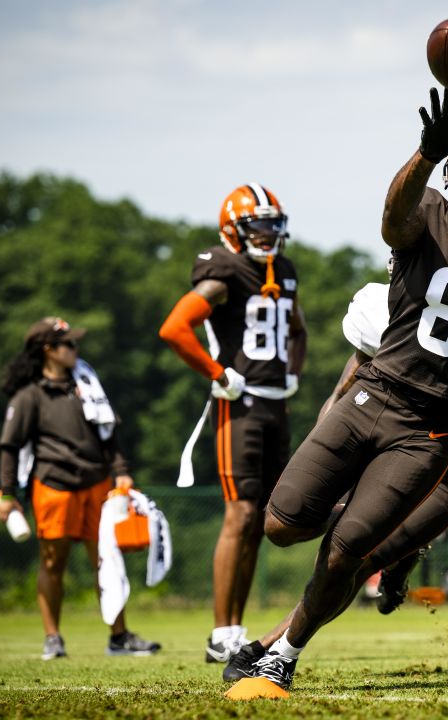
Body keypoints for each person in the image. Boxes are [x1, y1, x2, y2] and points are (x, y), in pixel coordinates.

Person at [226, 89, 448, 697]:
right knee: (280, 525)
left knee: (348, 550)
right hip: (372, 395)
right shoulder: (430, 211)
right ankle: (352, 533)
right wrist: (422, 152)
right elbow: (392, 218)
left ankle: (281, 654)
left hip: (432, 428)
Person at [220, 273, 448, 682]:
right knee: (323, 535)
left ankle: (271, 648)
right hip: (392, 443)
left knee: (356, 557)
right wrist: (330, 467)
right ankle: (400, 556)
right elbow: (342, 393)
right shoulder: (382, 307)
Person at [158, 183, 307, 663]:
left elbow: (298, 331)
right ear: (234, 229)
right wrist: (218, 373)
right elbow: (175, 328)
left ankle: (234, 630)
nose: (268, 234)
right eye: (258, 226)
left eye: (272, 225)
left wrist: (293, 375)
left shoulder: (284, 271)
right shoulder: (224, 270)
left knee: (264, 519)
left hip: (273, 404)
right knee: (239, 514)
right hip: (237, 406)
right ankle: (221, 631)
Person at [0, 316, 161, 660]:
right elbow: (9, 447)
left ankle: (119, 637)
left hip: (97, 483)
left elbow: (109, 431)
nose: (75, 349)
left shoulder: (87, 386)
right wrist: (7, 494)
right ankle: (53, 637)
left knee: (107, 562)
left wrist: (121, 471)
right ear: (48, 351)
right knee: (53, 564)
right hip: (54, 487)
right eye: (68, 344)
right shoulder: (29, 397)